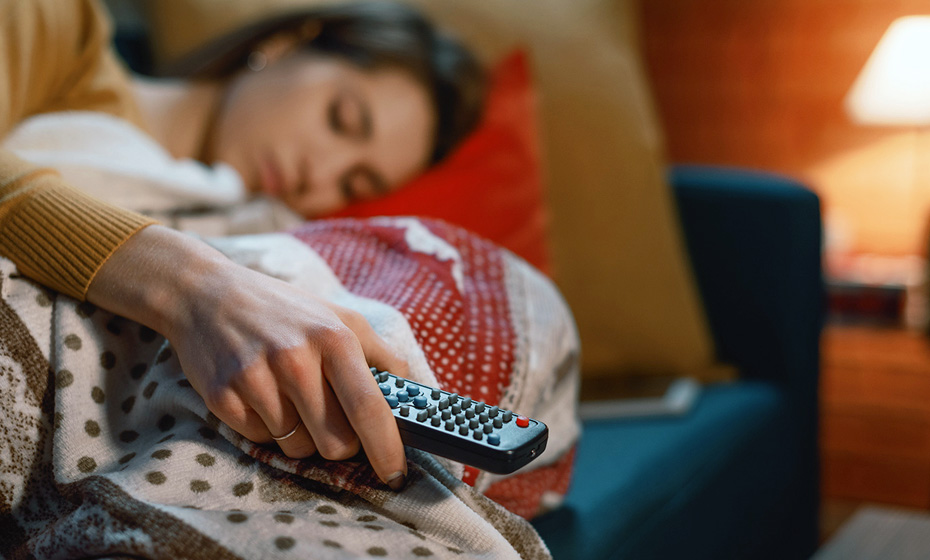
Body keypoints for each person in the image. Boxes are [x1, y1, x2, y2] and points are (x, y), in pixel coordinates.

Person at [0, 0, 484, 491]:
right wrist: (194, 287)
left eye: (352, 185)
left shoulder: (258, 231)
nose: (317, 176)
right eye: (341, 119)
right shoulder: (54, 22)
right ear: (285, 45)